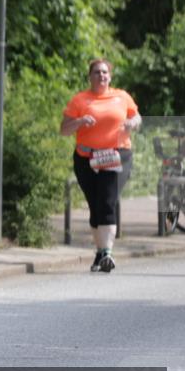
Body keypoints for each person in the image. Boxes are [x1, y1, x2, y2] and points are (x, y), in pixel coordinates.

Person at [60, 58, 141, 272]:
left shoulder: (121, 97)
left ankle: (107, 253)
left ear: (110, 76)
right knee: (95, 205)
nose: (101, 76)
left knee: (106, 201)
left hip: (117, 155)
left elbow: (136, 117)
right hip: (86, 158)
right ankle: (100, 253)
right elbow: (64, 130)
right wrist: (79, 121)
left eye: (105, 72)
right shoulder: (80, 100)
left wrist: (132, 122)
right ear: (90, 77)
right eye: (97, 72)